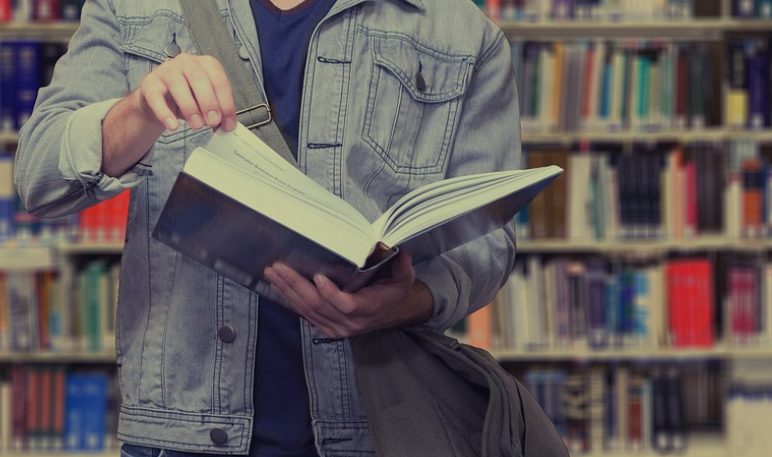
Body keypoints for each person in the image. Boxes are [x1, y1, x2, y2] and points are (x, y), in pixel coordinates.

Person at [14, 0, 522, 455]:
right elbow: (39, 177)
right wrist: (140, 111)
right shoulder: (131, 6)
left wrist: (410, 300)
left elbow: (488, 238)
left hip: (378, 429)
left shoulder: (462, 31)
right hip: (182, 435)